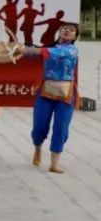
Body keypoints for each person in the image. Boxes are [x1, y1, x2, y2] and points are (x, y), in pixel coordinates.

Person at [17, 23, 79, 173]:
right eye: (65, 28)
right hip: (45, 92)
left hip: (65, 94)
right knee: (39, 127)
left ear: (75, 37)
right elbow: (30, 52)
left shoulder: (71, 50)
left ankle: (54, 163)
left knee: (61, 128)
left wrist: (26, 49)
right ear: (59, 32)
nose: (67, 31)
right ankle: (37, 147)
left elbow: (41, 51)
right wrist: (13, 48)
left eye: (71, 30)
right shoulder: (48, 48)